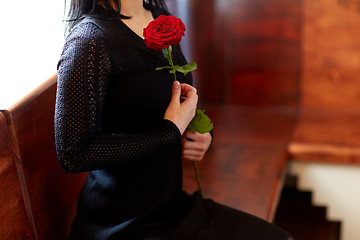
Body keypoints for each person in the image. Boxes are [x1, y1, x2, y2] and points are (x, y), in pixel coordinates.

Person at [55, 0, 293, 239]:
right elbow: (73, 153)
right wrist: (169, 133)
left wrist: (200, 134)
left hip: (172, 209)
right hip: (120, 225)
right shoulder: (89, 40)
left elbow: (174, 100)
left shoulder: (159, 17)